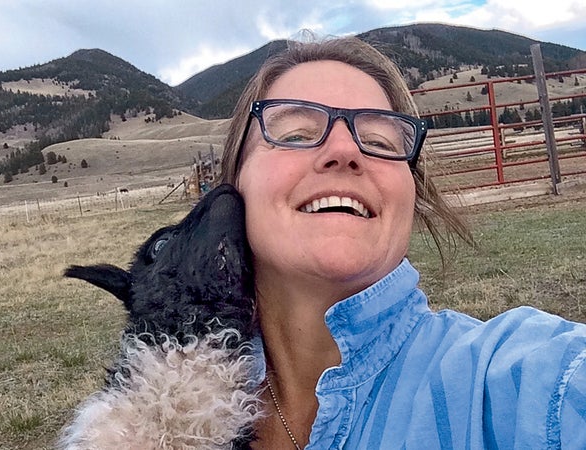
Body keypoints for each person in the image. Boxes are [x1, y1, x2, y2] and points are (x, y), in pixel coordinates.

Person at [219, 37, 586, 449]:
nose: (344, 150)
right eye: (297, 134)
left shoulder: (513, 382)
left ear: (412, 193)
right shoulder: (155, 405)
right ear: (230, 192)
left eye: (378, 142)